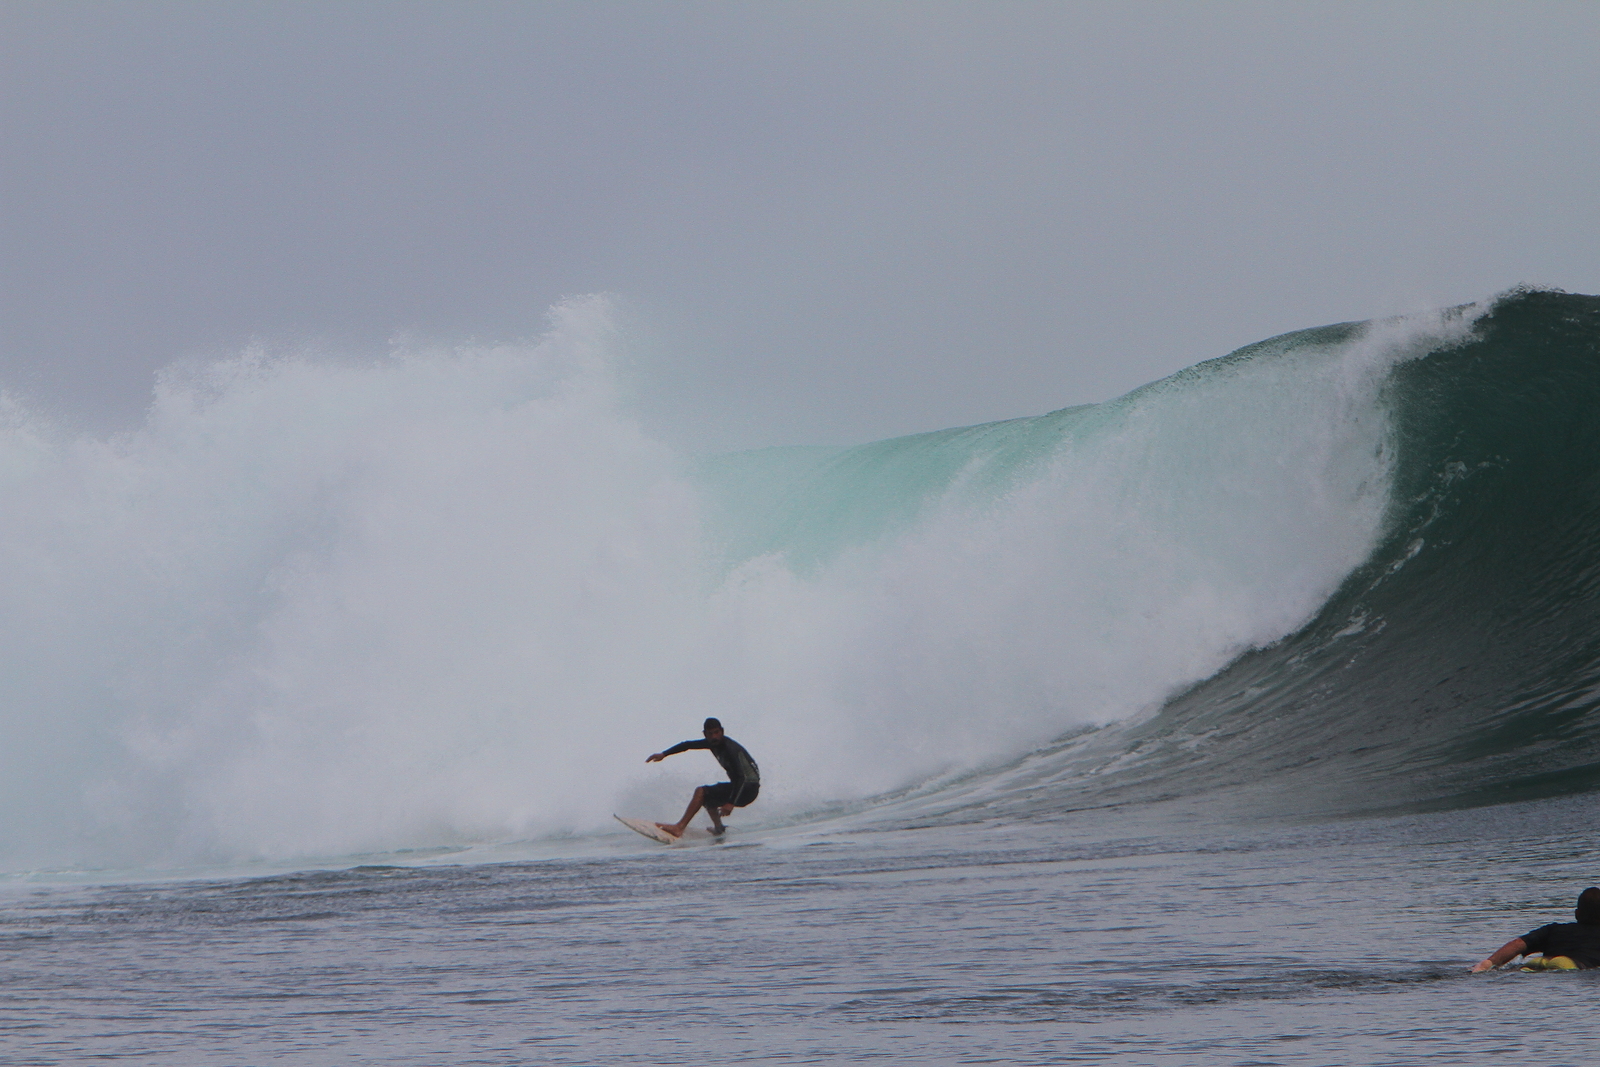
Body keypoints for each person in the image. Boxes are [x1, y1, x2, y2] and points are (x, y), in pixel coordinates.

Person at [646, 717, 760, 838]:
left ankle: (679, 827)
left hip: (748, 788)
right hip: (741, 787)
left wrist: (730, 803)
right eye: (710, 734)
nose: (714, 737)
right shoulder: (711, 743)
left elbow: (741, 777)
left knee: (701, 791)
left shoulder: (730, 748)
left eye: (716, 732)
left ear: (722, 731)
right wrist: (664, 754)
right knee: (707, 798)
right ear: (705, 734)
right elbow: (687, 745)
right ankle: (719, 829)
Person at [1471, 886, 1600, 971]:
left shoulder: (1554, 929)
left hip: (1538, 963)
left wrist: (1489, 962)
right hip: (1568, 965)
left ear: (1576, 914)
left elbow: (1517, 944)